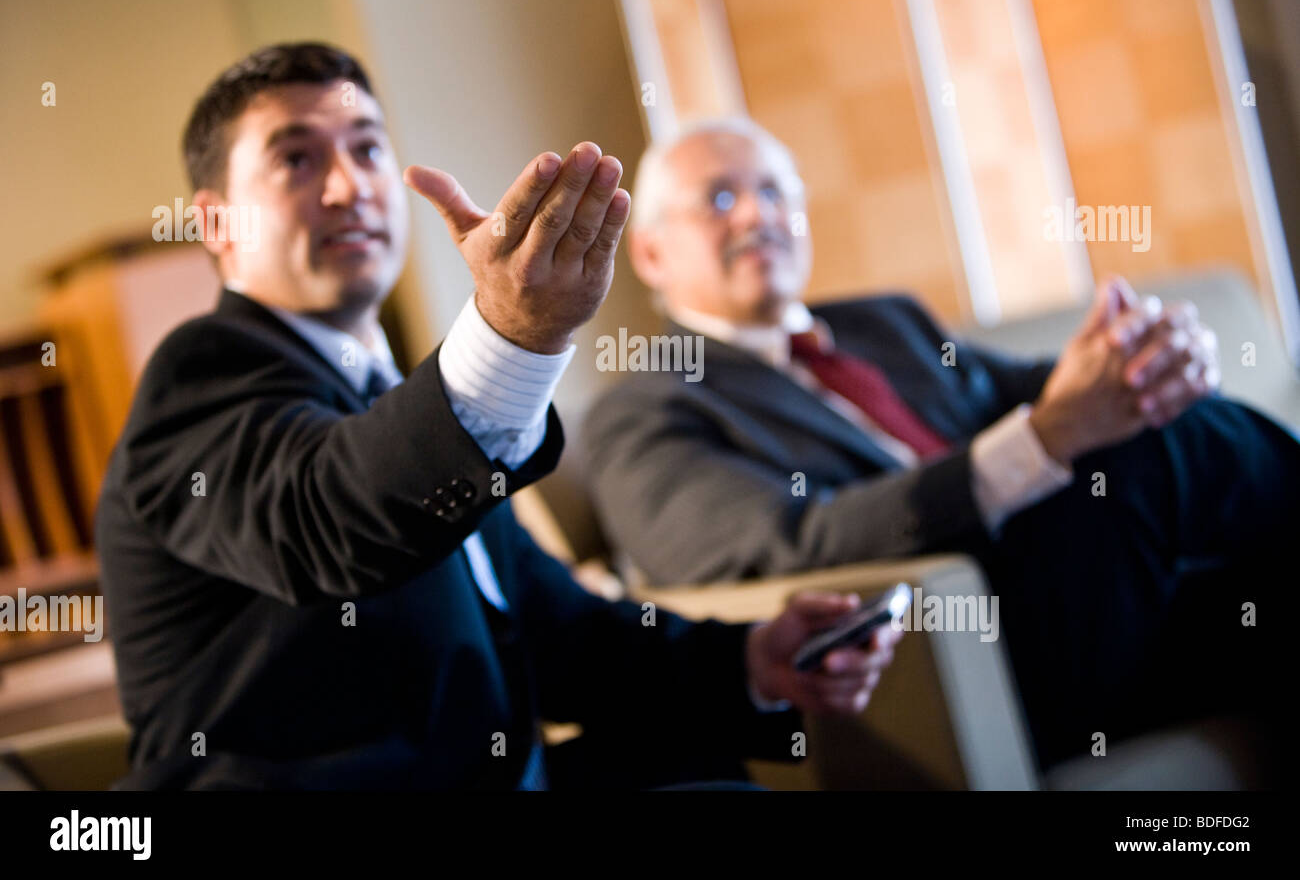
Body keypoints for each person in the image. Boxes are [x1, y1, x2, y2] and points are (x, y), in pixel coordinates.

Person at [94, 46, 901, 790]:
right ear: (215, 224)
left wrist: (753, 659)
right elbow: (327, 517)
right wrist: (511, 338)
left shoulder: (395, 401)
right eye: (297, 159)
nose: (350, 185)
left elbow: (559, 630)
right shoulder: (200, 372)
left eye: (368, 148)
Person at [581, 116, 1296, 771]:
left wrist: (1138, 358)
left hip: (1101, 603)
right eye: (719, 199)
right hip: (959, 654)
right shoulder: (645, 406)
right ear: (650, 252)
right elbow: (790, 549)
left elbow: (1030, 386)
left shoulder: (884, 321)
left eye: (774, 191)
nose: (757, 214)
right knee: (1130, 451)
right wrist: (1051, 436)